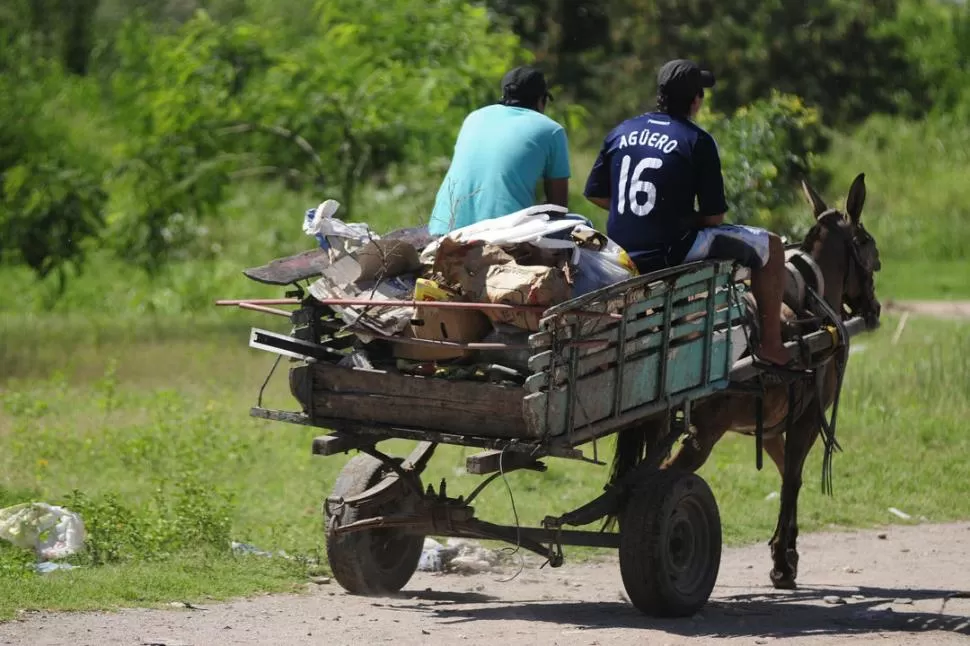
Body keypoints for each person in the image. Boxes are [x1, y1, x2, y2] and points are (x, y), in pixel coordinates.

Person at [583, 59, 791, 367]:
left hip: (622, 253)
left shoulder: (621, 131)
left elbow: (595, 193)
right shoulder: (697, 141)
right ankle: (772, 345)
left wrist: (643, 214)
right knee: (772, 246)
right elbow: (713, 219)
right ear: (695, 100)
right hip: (670, 253)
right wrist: (670, 215)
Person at [427, 67, 571, 236]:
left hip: (444, 228)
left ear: (505, 95)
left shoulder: (474, 117)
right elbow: (558, 208)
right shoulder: (552, 130)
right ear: (541, 100)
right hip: (502, 235)